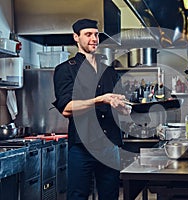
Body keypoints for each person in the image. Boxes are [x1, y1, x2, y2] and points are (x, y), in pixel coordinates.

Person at [52, 18, 131, 200]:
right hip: (81, 147)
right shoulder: (65, 70)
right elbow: (67, 108)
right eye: (88, 35)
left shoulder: (109, 71)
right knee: (78, 195)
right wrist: (101, 99)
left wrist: (125, 109)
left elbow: (120, 104)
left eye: (96, 35)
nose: (94, 39)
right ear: (76, 37)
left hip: (109, 145)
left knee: (110, 195)